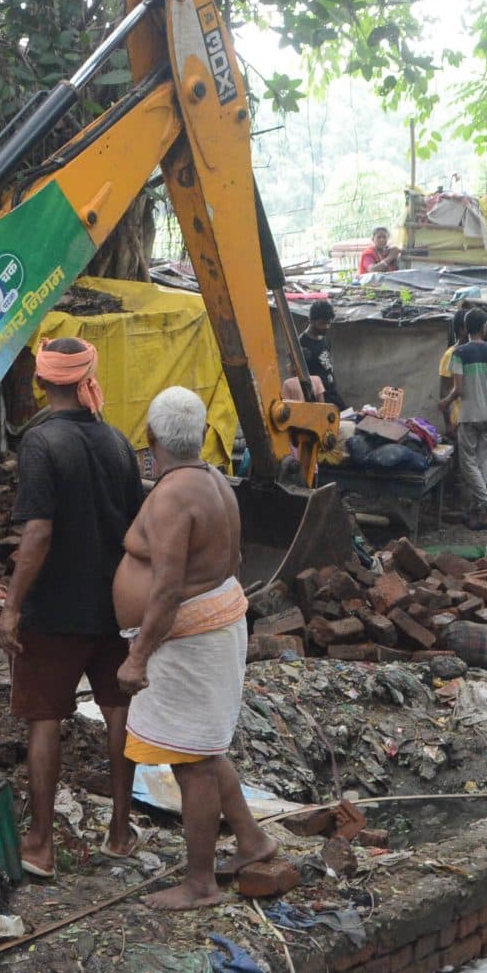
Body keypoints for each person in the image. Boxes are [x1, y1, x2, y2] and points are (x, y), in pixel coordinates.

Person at [115, 387, 278, 911]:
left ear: (151, 438)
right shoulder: (215, 482)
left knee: (192, 765)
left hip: (188, 639)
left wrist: (137, 655)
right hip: (211, 626)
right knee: (202, 751)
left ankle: (200, 883)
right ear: (204, 435)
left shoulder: (172, 496)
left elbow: (165, 589)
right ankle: (252, 841)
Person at [0, 337, 141, 874]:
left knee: (45, 720)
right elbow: (135, 529)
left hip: (55, 611)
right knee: (119, 713)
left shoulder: (40, 444)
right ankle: (120, 833)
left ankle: (40, 844)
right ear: (87, 378)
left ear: (40, 382)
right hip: (113, 609)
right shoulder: (118, 443)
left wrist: (11, 606)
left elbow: (37, 534)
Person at [439, 309, 487, 529]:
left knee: (468, 465)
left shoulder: (459, 353)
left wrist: (445, 402)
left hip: (469, 415)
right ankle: (481, 512)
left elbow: (459, 389)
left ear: (465, 327)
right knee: (482, 463)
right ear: (484, 327)